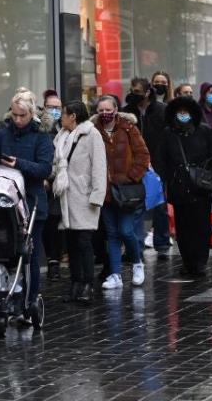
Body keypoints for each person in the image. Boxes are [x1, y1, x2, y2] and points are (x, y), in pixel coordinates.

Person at [0, 89, 54, 315]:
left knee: (30, 255)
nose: (17, 120)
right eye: (14, 115)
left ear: (31, 113)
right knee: (8, 251)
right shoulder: (2, 134)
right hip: (5, 203)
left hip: (32, 202)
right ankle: (11, 293)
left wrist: (18, 164)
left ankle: (29, 299)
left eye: (22, 116)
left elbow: (45, 169)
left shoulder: (42, 136)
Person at [153, 97, 212, 277]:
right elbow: (160, 159)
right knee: (183, 227)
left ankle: (200, 262)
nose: (183, 115)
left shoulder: (204, 131)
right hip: (179, 187)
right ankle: (187, 261)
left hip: (201, 187)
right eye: (179, 112)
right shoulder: (168, 133)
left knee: (200, 225)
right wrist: (168, 177)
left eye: (186, 111)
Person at [51, 101, 107, 304]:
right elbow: (57, 165)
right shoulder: (62, 137)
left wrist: (97, 196)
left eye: (64, 114)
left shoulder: (92, 135)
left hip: (84, 197)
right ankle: (75, 283)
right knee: (72, 243)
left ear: (73, 116)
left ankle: (88, 285)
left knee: (84, 242)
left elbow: (99, 168)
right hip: (66, 196)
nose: (61, 118)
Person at [94, 95, 150, 289]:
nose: (104, 114)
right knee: (112, 233)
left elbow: (143, 155)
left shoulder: (128, 128)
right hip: (105, 192)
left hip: (126, 191)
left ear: (116, 109)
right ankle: (115, 274)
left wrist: (132, 176)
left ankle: (137, 263)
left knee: (126, 230)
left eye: (108, 110)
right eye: (100, 110)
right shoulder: (94, 131)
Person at [121, 78, 170, 258]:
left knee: (159, 206)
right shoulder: (127, 113)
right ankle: (136, 247)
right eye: (131, 90)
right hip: (134, 165)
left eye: (137, 91)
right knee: (135, 207)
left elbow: (168, 138)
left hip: (157, 165)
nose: (133, 94)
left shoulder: (161, 111)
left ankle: (162, 243)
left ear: (148, 92)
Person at [40, 90, 65, 280]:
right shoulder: (39, 128)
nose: (55, 111)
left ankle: (56, 259)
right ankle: (52, 260)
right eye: (51, 107)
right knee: (48, 222)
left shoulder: (64, 128)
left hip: (60, 182)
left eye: (58, 108)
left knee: (56, 222)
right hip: (43, 181)